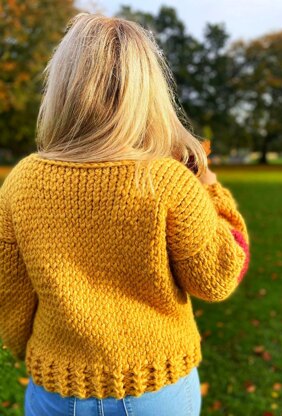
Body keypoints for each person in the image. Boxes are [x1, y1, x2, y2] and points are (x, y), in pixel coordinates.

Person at [0, 12, 250, 416]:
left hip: (57, 392)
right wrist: (210, 189)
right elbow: (219, 276)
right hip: (160, 388)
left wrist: (37, 351)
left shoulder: (22, 182)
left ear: (60, 87)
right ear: (147, 90)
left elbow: (10, 299)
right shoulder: (168, 180)